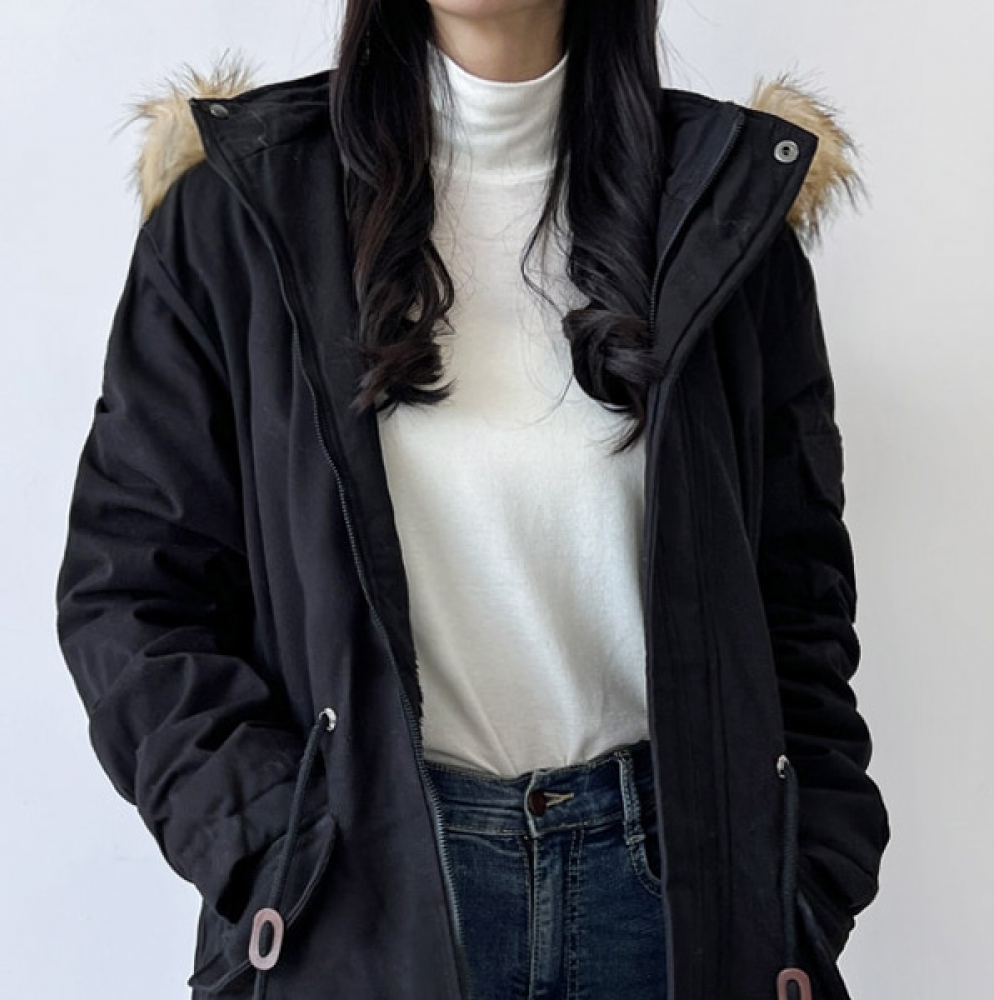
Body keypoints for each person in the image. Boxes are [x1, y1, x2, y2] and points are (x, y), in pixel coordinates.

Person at [54, 1, 890, 998]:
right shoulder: (240, 211)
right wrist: (271, 843)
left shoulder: (722, 209)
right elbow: (132, 592)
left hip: (670, 909)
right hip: (364, 903)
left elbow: (797, 602)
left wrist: (803, 875)